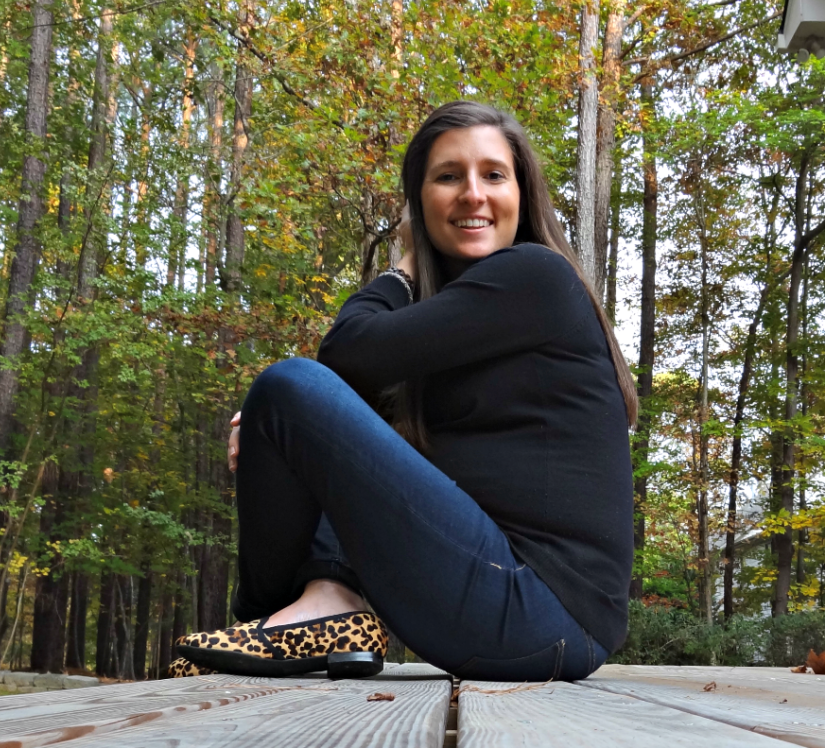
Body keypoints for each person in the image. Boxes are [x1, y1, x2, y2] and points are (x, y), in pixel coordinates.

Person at [169, 101, 637, 682]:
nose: (472, 193)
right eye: (448, 176)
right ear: (422, 199)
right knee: (307, 408)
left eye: (493, 174)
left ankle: (275, 619)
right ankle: (314, 608)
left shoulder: (536, 276)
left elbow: (345, 352)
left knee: (290, 385)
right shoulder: (466, 332)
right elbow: (355, 395)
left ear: (524, 194)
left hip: (542, 609)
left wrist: (406, 264)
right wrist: (290, 433)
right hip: (519, 608)